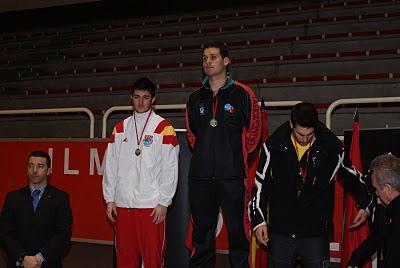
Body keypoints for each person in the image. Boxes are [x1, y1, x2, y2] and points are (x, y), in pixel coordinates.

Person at [250, 102, 372, 268]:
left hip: (316, 233)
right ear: (291, 124)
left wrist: (365, 204)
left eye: (310, 134)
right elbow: (260, 185)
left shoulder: (331, 147)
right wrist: (259, 221)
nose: (305, 139)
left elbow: (350, 175)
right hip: (281, 232)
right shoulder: (273, 146)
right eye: (300, 134)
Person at [185, 41, 261, 267]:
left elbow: (254, 131)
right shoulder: (194, 97)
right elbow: (192, 134)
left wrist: (235, 159)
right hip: (200, 177)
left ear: (226, 62)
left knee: (238, 233)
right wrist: (205, 157)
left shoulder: (243, 93)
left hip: (232, 176)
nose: (208, 61)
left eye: (213, 57)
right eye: (205, 58)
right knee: (202, 235)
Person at [102, 77, 179, 268]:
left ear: (153, 100)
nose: (141, 102)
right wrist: (110, 198)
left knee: (152, 259)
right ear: (131, 98)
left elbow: (170, 169)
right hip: (123, 204)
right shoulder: (120, 129)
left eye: (145, 97)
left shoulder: (164, 128)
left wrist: (163, 202)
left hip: (151, 207)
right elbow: (110, 166)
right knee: (124, 259)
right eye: (137, 97)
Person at [0, 150, 72, 268]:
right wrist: (22, 258)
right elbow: (5, 233)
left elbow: (63, 234)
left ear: (48, 171)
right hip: (18, 263)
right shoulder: (13, 197)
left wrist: (39, 258)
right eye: (30, 166)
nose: (34, 170)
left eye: (40, 166)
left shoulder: (60, 198)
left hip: (47, 263)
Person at [347, 154, 400, 268]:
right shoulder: (386, 207)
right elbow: (377, 236)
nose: (376, 195)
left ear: (388, 189)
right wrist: (355, 260)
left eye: (376, 189)